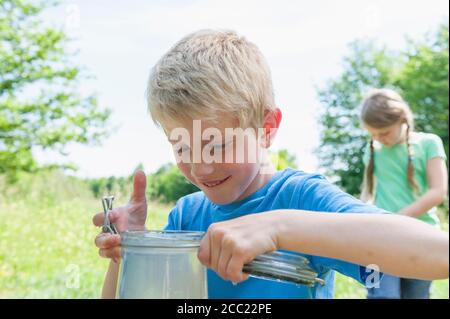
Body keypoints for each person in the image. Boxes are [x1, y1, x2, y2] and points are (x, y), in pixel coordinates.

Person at [92, 29, 449, 299]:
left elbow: (438, 254)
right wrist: (130, 255)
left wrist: (281, 227)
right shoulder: (187, 215)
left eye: (216, 145)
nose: (199, 169)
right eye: (181, 148)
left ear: (266, 129)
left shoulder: (301, 198)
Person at [360, 88, 448, 299]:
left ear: (402, 119)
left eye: (384, 132)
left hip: (422, 237)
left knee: (417, 296)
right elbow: (366, 193)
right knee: (381, 295)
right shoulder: (372, 149)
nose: (379, 139)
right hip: (381, 239)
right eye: (373, 134)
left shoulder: (429, 143)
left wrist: (397, 219)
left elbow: (438, 191)